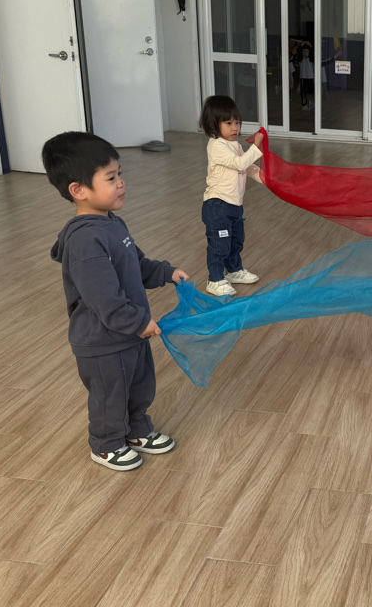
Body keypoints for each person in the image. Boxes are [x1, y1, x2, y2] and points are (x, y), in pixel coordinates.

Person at [44, 132, 187, 471]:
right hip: (103, 342)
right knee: (110, 394)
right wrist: (137, 322)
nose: (121, 183)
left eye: (120, 174)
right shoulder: (85, 240)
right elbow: (103, 297)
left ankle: (136, 429)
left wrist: (165, 272)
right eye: (110, 178)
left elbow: (135, 264)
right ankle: (106, 444)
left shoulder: (112, 223)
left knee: (139, 385)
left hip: (130, 332)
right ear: (79, 190)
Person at [199, 95, 264, 297]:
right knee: (220, 245)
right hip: (218, 205)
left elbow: (247, 166)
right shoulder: (216, 145)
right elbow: (239, 163)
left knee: (236, 241)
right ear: (213, 124)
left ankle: (234, 270)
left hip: (234, 205)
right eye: (228, 123)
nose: (235, 127)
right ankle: (215, 280)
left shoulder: (234, 145)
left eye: (237, 122)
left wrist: (264, 178)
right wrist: (256, 147)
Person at [299, 45, 314, 110]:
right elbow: (299, 53)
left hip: (311, 78)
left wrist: (310, 46)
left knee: (311, 92)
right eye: (303, 51)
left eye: (307, 51)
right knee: (303, 92)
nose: (305, 53)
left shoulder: (311, 59)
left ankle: (311, 103)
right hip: (303, 78)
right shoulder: (301, 59)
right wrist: (301, 45)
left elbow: (313, 54)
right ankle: (304, 105)